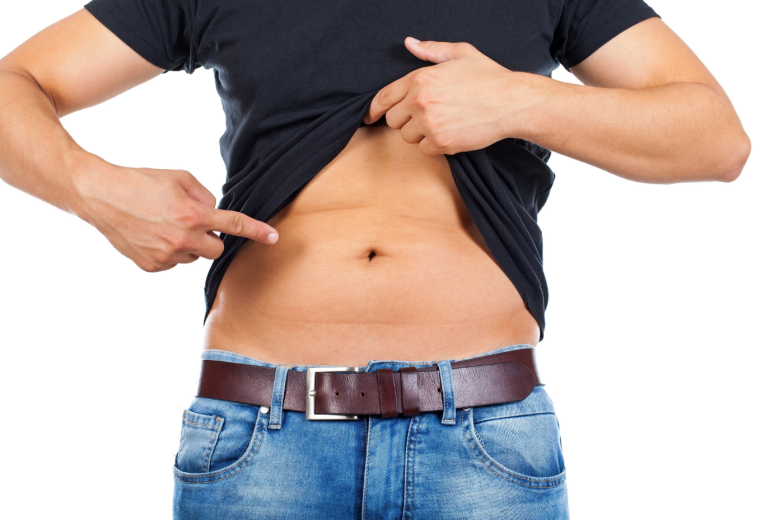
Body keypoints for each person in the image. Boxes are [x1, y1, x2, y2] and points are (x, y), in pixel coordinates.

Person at [0, 0, 749, 518]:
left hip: (484, 437)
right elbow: (13, 84)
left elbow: (717, 138)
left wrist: (518, 102)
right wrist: (94, 189)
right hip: (263, 437)